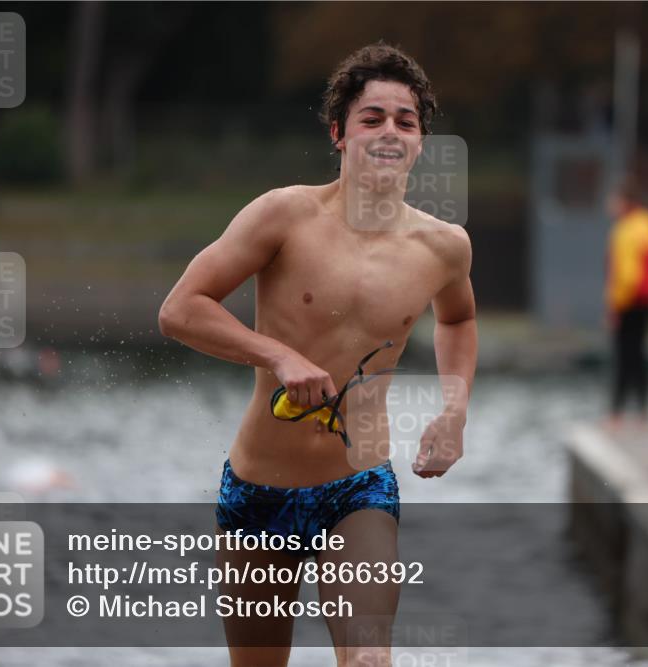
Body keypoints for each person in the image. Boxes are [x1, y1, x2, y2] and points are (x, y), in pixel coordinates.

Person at [158, 42, 477, 667]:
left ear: (420, 142)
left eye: (405, 121)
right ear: (339, 133)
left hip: (356, 488)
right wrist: (277, 355)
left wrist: (454, 411)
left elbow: (459, 318)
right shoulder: (283, 215)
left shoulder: (444, 247)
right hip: (257, 490)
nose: (390, 131)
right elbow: (180, 308)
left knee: (368, 660)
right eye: (372, 117)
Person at [604, 176, 648, 427]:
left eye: (614, 200)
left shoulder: (626, 229)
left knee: (623, 355)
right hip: (647, 300)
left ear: (625, 202)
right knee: (640, 354)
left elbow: (627, 275)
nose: (610, 204)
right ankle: (643, 412)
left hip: (628, 302)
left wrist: (615, 307)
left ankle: (616, 413)